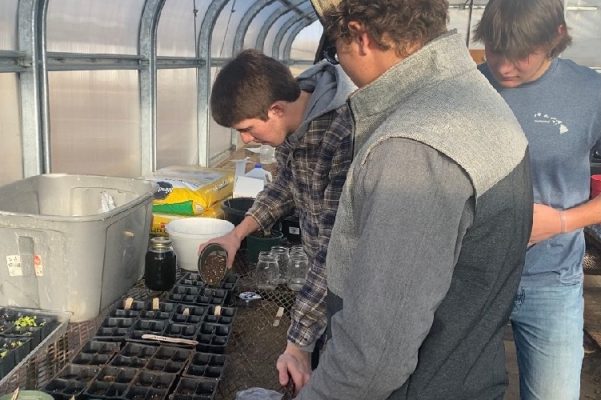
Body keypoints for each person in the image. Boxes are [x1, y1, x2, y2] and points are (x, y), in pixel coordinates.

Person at [281, 0, 534, 398]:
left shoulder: (414, 148)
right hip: (464, 374)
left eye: (335, 49)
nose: (338, 63)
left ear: (360, 36)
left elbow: (373, 359)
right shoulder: (471, 98)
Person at [474, 1, 601, 399]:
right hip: (469, 279)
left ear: (556, 38)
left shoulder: (589, 92)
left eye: (521, 56)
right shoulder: (468, 89)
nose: (505, 67)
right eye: (495, 51)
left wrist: (562, 222)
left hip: (551, 281)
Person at [208, 49, 356, 380]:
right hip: (325, 277)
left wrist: (298, 343)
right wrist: (236, 234)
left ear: (276, 110)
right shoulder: (294, 123)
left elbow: (334, 251)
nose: (244, 139)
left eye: (246, 128)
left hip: (351, 287)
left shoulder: (341, 134)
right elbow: (286, 185)